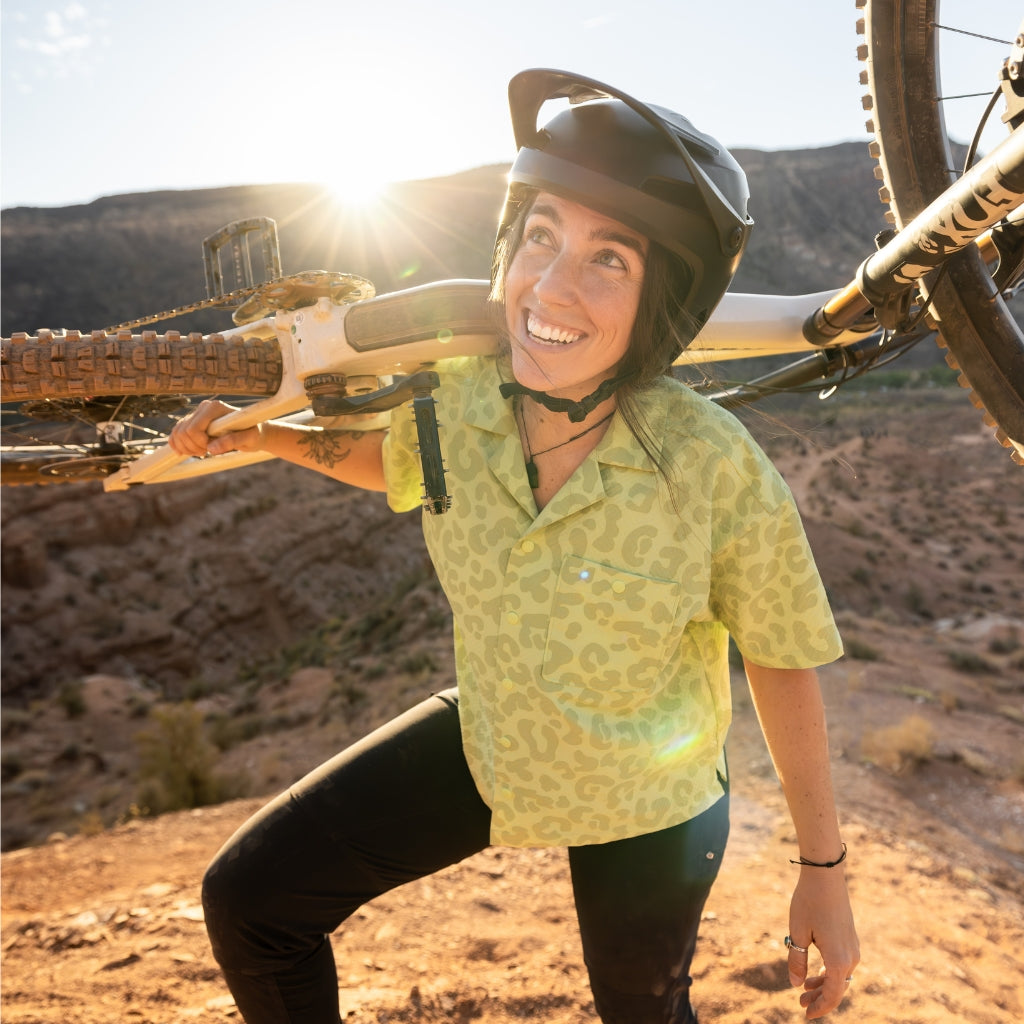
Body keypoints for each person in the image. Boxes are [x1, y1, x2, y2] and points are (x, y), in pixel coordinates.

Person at [169, 68, 859, 1023]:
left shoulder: (710, 464)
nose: (552, 285)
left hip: (647, 798)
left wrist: (822, 871)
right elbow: (394, 462)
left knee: (644, 1013)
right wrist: (268, 438)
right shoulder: (460, 401)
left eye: (609, 259)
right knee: (251, 903)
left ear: (666, 296)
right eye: (541, 237)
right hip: (494, 737)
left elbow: (782, 656)